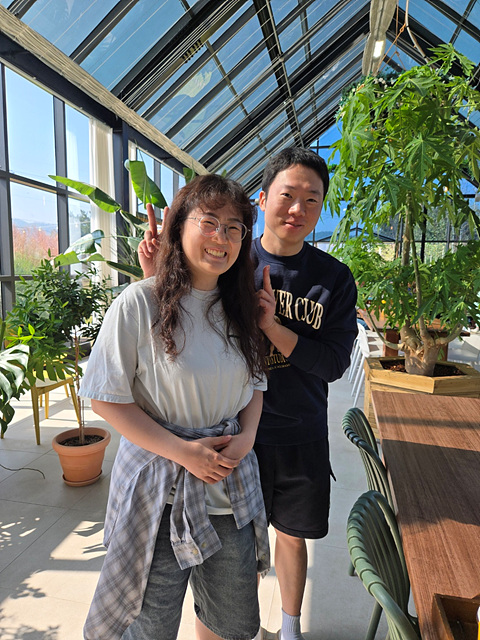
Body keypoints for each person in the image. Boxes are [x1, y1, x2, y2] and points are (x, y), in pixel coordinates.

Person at [140, 147, 358, 640]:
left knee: (293, 537)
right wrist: (156, 275)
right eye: (287, 195)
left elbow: (333, 364)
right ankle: (230, 625)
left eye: (312, 199)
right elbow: (180, 324)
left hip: (300, 431)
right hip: (232, 435)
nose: (298, 208)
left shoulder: (334, 279)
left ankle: (289, 627)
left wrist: (273, 328)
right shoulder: (231, 260)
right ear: (262, 199)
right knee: (233, 546)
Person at [80, 174, 270, 640]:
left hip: (227, 488)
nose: (221, 237)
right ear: (178, 227)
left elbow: (256, 385)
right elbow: (105, 397)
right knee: (150, 622)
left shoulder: (241, 309)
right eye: (209, 222)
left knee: (231, 620)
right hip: (159, 494)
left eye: (234, 228)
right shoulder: (139, 302)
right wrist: (183, 452)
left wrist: (247, 437)